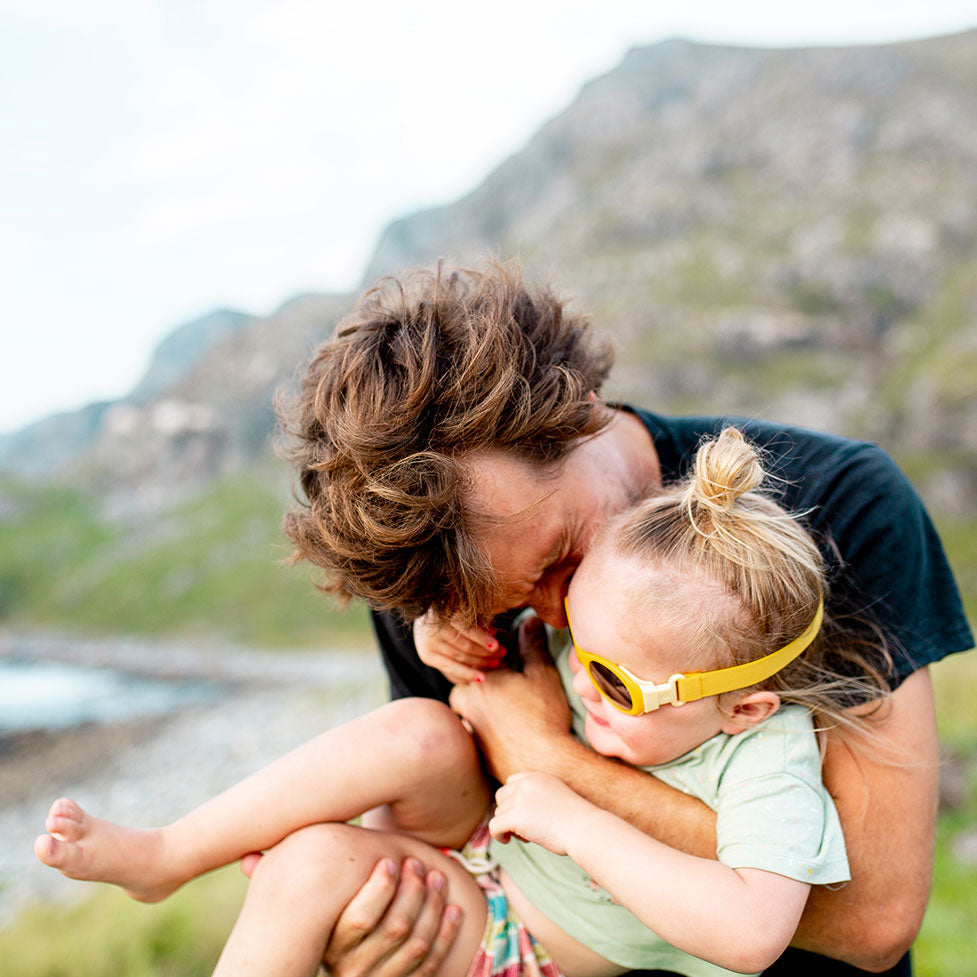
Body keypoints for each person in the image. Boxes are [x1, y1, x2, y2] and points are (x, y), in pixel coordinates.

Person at [275, 260, 973, 977]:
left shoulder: (838, 510)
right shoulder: (433, 592)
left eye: (556, 558)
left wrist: (549, 762)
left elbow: (873, 915)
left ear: (573, 412)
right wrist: (372, 924)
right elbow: (453, 851)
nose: (556, 611)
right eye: (508, 604)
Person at [36, 429, 887, 977]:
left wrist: (570, 808)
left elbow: (749, 932)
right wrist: (453, 648)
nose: (581, 678)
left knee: (306, 868)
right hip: (489, 840)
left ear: (738, 708)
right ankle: (169, 852)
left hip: (524, 934)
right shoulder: (617, 640)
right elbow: (495, 693)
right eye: (577, 645)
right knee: (415, 728)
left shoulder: (766, 758)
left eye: (617, 683)